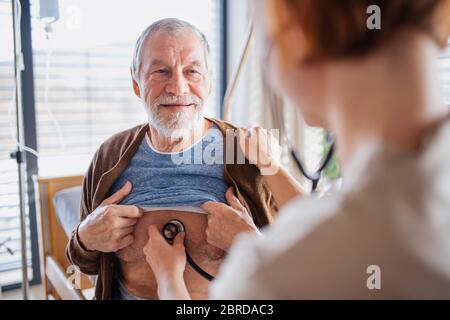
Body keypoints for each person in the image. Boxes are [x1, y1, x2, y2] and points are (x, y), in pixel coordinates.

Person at [143, 0, 450, 299]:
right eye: (161, 72)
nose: (178, 87)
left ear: (294, 33)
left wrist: (168, 278)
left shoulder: (272, 276)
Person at [66, 18, 300, 300]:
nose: (178, 87)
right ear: (136, 83)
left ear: (210, 83)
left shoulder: (245, 153)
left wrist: (250, 243)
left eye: (192, 71)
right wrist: (84, 238)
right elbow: (83, 262)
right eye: (161, 71)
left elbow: (296, 264)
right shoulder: (109, 156)